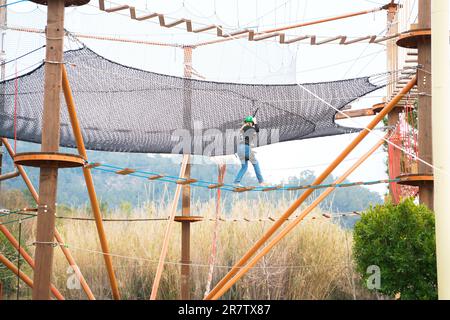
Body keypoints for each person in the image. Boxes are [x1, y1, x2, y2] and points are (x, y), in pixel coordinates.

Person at [233, 115, 266, 186]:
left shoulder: (243, 128)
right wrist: (255, 122)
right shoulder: (248, 127)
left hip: (239, 149)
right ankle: (261, 181)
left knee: (244, 167)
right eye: (252, 123)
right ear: (250, 123)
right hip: (245, 148)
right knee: (255, 163)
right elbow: (257, 130)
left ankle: (236, 182)